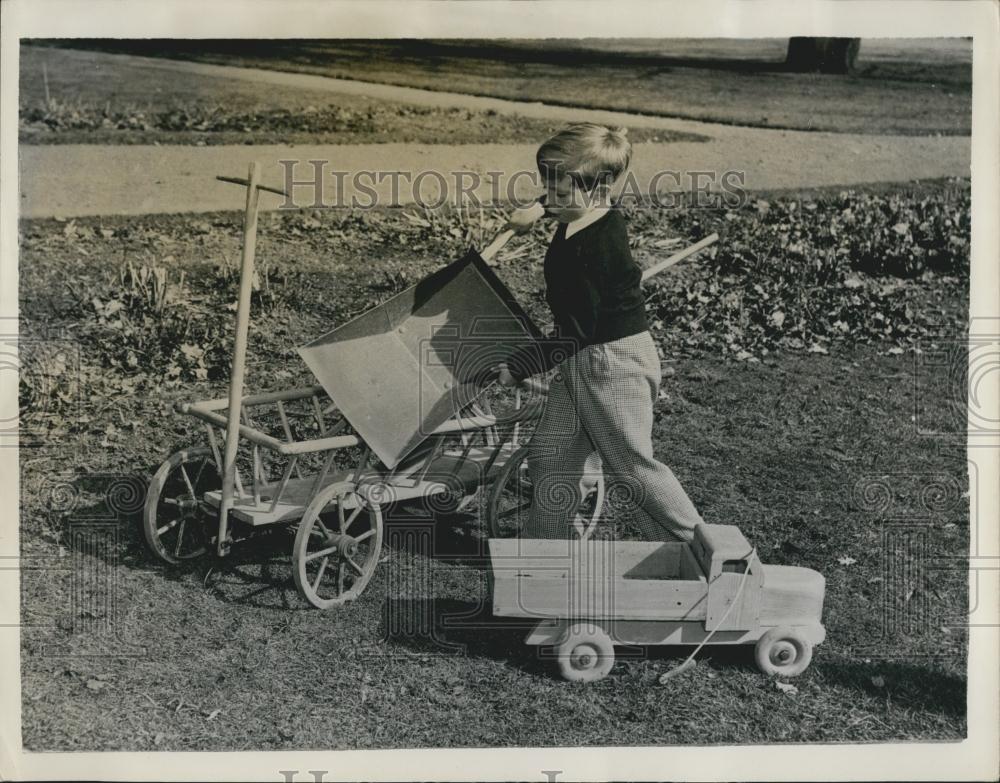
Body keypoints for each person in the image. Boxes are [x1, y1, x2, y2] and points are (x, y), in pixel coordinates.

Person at [495, 123, 704, 542]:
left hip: (614, 365)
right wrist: (535, 211)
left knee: (631, 467)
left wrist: (517, 367)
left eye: (558, 193)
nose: (550, 200)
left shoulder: (595, 247)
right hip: (583, 361)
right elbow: (562, 197)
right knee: (552, 456)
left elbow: (574, 332)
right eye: (545, 189)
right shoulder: (586, 207)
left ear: (599, 187)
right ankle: (546, 550)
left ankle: (711, 552)